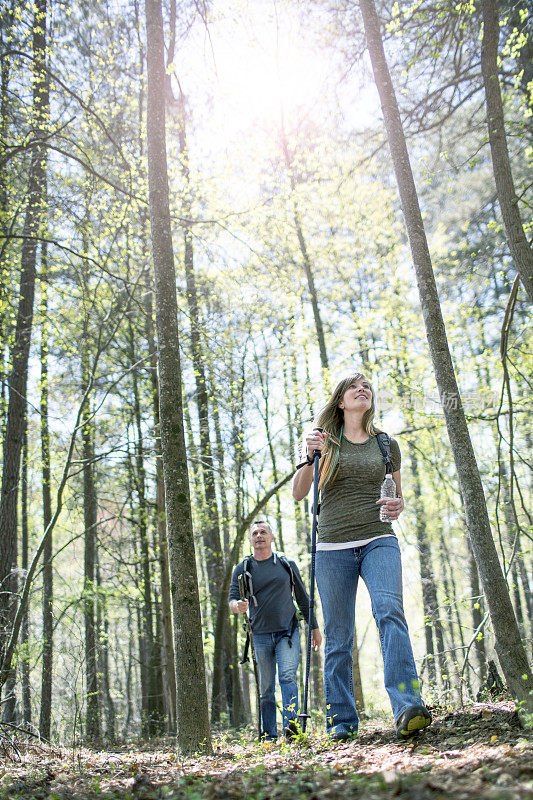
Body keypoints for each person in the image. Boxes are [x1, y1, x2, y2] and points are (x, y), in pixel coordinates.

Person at [292, 372, 431, 742]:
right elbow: (298, 493)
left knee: (390, 612)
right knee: (338, 635)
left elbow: (397, 497)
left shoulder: (386, 444)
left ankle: (408, 706)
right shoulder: (322, 441)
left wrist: (398, 504)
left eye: (367, 386)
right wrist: (308, 456)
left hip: (378, 539)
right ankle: (341, 724)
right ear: (340, 400)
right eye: (354, 387)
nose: (362, 390)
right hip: (332, 547)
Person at [229, 519, 322, 741]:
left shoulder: (285, 564)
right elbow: (232, 599)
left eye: (263, 532)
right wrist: (236, 606)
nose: (259, 536)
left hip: (287, 632)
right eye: (255, 534)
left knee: (288, 678)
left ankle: (291, 731)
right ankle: (268, 735)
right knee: (266, 688)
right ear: (251, 540)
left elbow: (302, 597)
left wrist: (315, 628)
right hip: (259, 634)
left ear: (272, 537)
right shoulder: (243, 569)